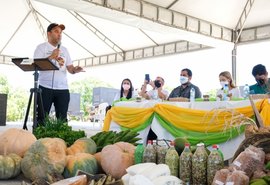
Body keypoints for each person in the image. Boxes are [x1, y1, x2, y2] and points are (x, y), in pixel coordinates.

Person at [34, 23, 84, 124]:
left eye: (61, 32)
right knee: (42, 117)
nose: (59, 34)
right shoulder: (41, 48)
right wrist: (52, 56)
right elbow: (37, 65)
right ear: (49, 33)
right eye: (56, 31)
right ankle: (40, 139)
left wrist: (75, 70)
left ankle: (61, 140)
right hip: (45, 87)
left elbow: (70, 68)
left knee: (62, 119)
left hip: (62, 89)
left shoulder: (64, 50)